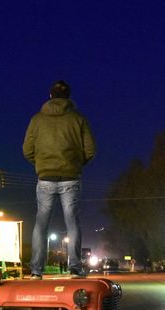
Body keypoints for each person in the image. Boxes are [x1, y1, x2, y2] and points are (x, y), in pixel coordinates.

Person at [23, 80, 96, 279]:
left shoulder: (36, 120)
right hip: (71, 178)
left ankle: (36, 270)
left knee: (41, 223)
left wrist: (42, 164)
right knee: (72, 221)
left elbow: (27, 150)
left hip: (45, 178)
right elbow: (90, 149)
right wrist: (75, 165)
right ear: (69, 97)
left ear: (50, 96)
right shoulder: (78, 119)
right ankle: (74, 267)